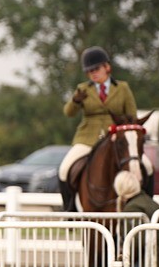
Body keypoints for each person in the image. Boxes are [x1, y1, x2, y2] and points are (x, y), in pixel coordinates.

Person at [58, 46, 137, 211]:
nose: (93, 73)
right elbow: (68, 112)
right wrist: (76, 101)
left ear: (107, 67)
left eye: (96, 69)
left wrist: (123, 128)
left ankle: (143, 205)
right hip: (87, 138)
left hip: (115, 138)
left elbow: (132, 116)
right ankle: (70, 209)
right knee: (64, 169)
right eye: (89, 71)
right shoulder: (83, 89)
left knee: (146, 167)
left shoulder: (122, 88)